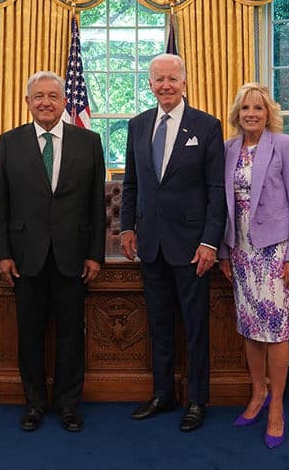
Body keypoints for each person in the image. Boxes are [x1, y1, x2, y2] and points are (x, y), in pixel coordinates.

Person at [0, 71, 105, 433]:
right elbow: (1, 204)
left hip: (73, 256)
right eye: (38, 96)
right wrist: (2, 254)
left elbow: (95, 206)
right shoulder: (10, 142)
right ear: (28, 102)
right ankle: (35, 403)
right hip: (26, 258)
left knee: (72, 334)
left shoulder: (89, 142)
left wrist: (95, 254)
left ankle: (69, 404)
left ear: (63, 101)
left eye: (53, 96)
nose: (45, 102)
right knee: (30, 334)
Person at [120, 53, 225, 432]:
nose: (166, 85)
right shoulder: (137, 125)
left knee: (196, 327)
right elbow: (131, 184)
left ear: (184, 83)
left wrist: (211, 243)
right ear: (150, 84)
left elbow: (216, 192)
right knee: (159, 325)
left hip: (193, 247)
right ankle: (163, 394)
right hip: (150, 245)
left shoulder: (206, 126)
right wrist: (126, 227)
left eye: (172, 79)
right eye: (159, 79)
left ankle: (196, 399)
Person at [218, 82, 289, 449]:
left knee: (276, 331)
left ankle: (277, 409)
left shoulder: (284, 145)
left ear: (269, 113)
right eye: (245, 109)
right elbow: (223, 204)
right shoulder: (228, 149)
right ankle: (257, 395)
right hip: (240, 252)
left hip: (275, 252)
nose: (251, 114)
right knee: (250, 327)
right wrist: (224, 252)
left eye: (258, 108)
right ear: (237, 115)